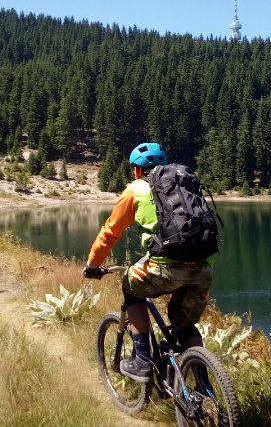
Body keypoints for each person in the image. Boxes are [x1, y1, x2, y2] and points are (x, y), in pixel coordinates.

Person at [83, 142, 214, 383]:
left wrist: (92, 265)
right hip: (202, 269)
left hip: (162, 268)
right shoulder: (183, 184)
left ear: (136, 170)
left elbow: (110, 232)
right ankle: (203, 383)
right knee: (185, 327)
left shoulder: (136, 189)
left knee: (130, 286)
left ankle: (142, 360)